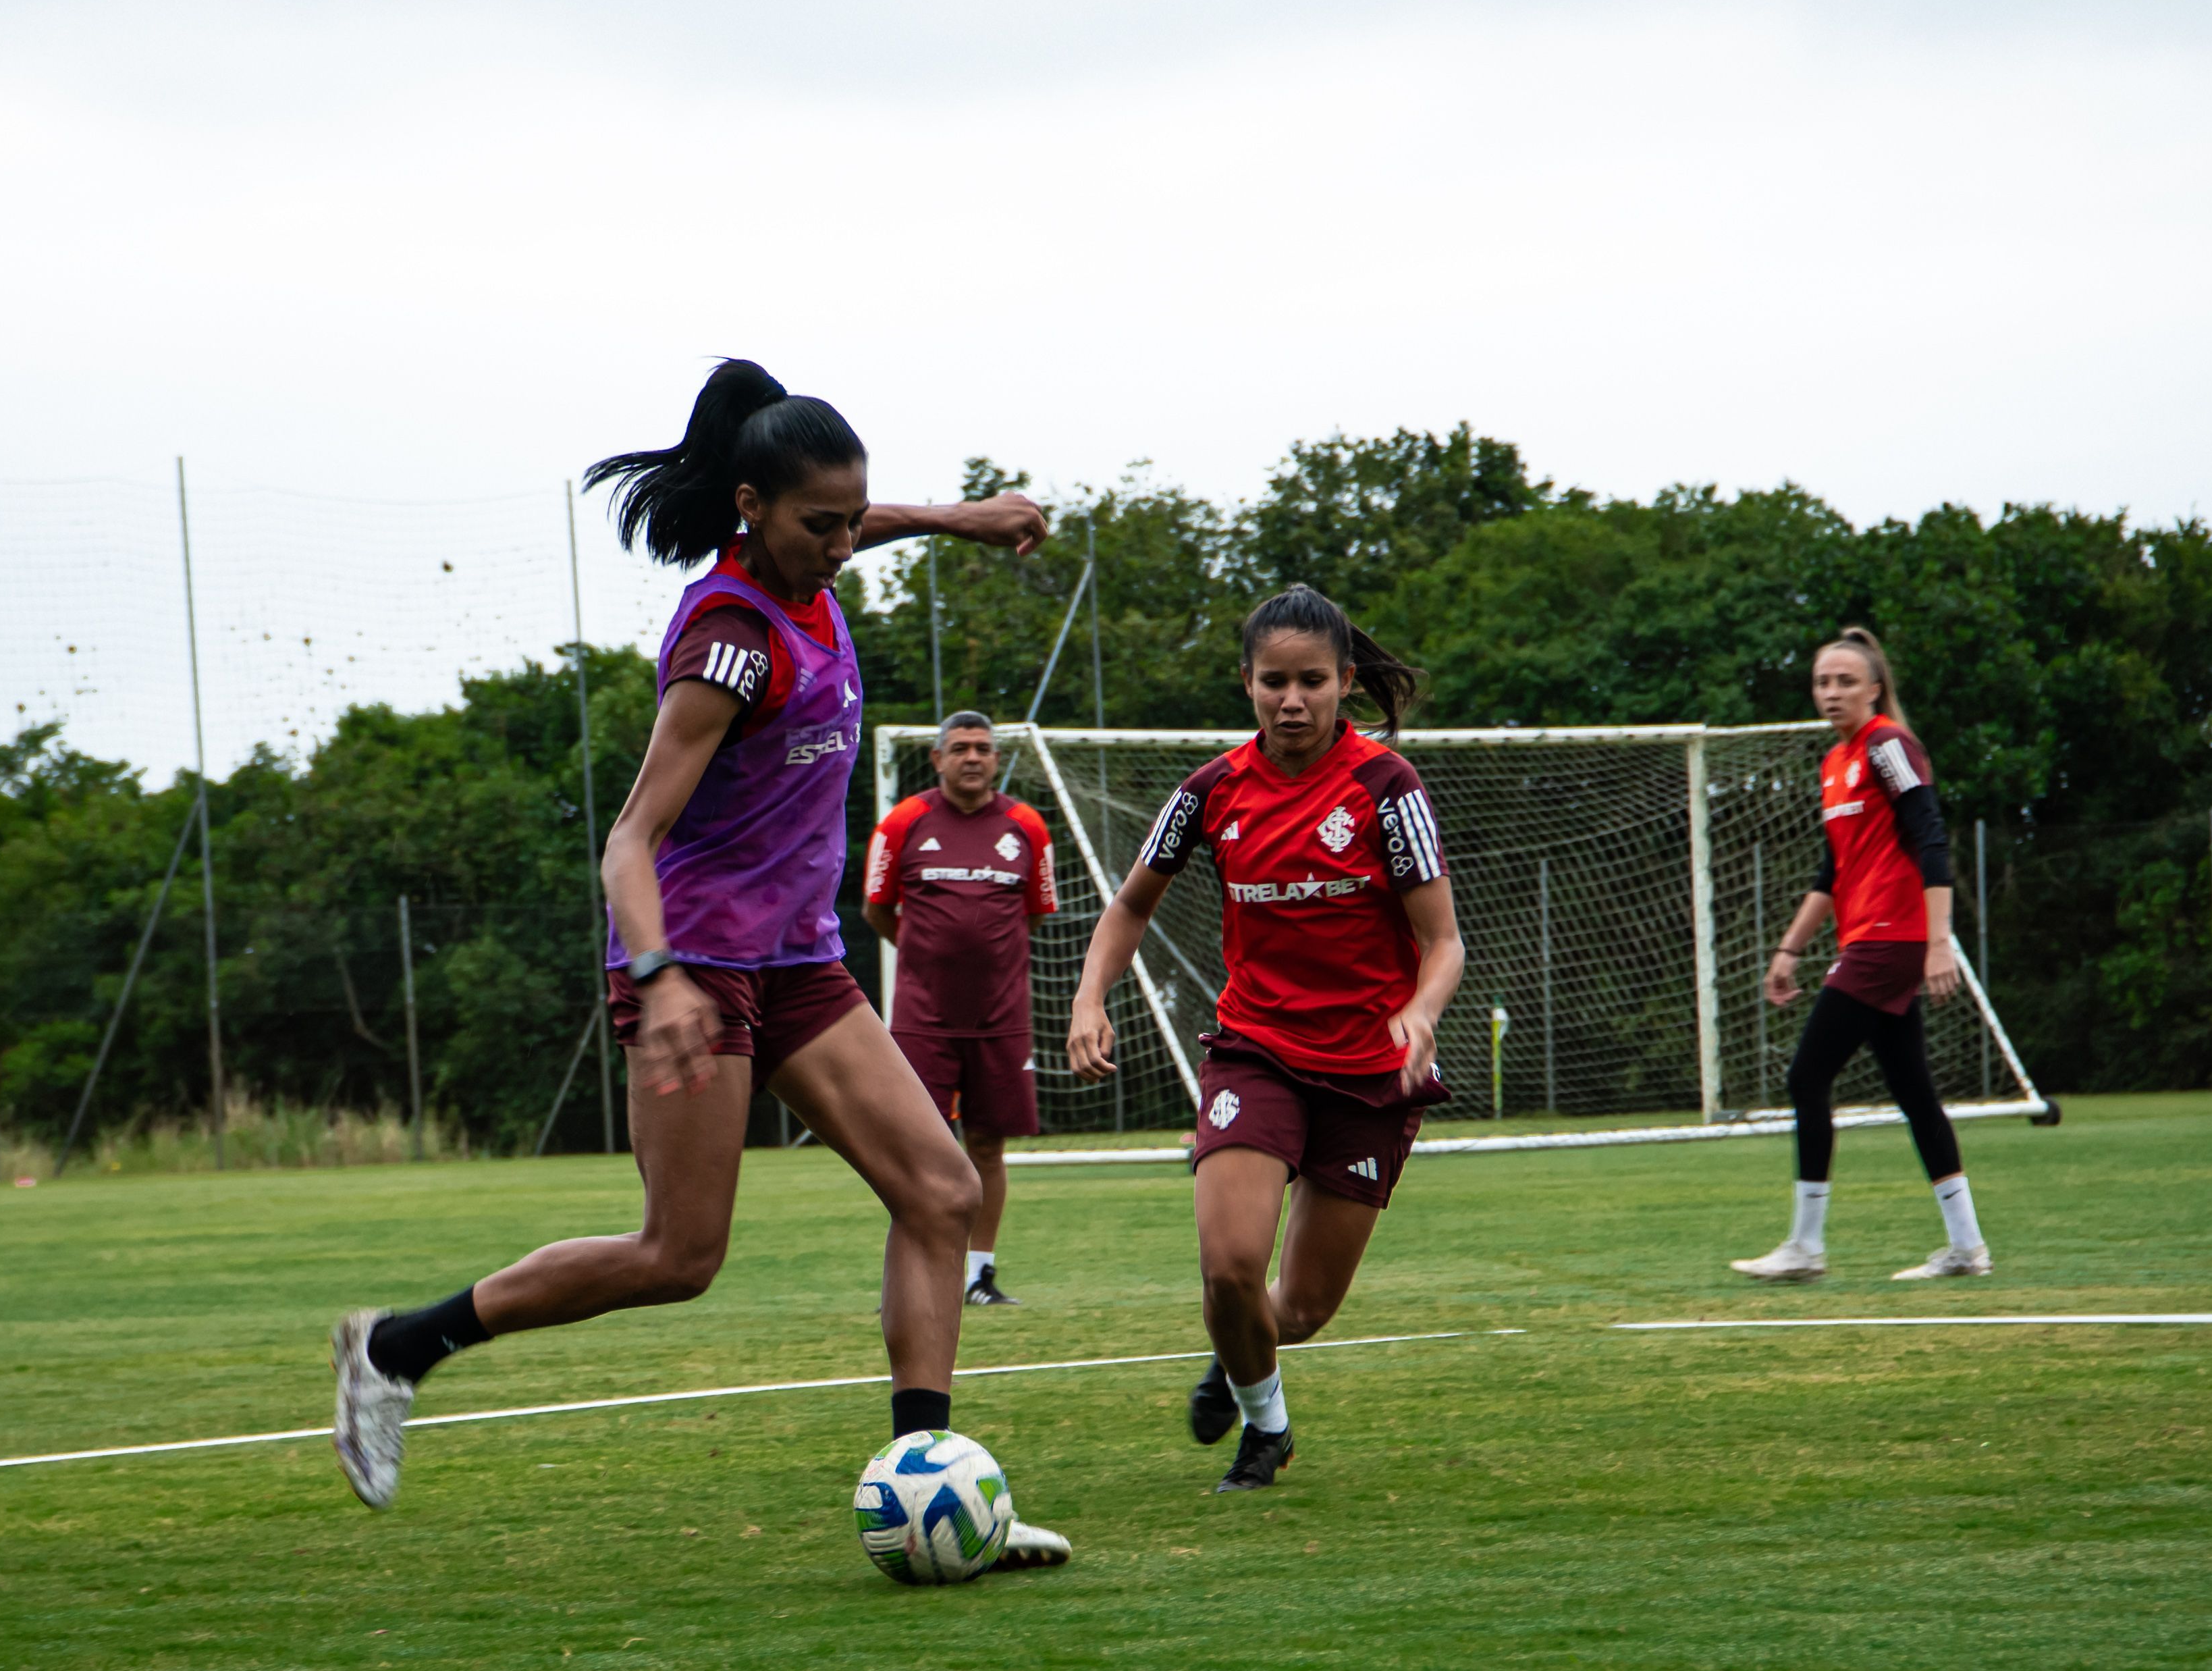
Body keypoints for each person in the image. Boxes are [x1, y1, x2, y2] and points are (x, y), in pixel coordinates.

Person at [329, 359, 1069, 1570]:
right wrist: (662, 970)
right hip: (696, 967)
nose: (839, 543)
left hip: (797, 963)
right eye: (816, 523)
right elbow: (631, 837)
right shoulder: (728, 641)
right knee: (679, 1257)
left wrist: (960, 519)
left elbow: (857, 524)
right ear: (749, 509)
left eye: (850, 517)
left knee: (939, 1193)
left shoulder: (812, 563)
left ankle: (930, 1483)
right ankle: (395, 1349)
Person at [1066, 587, 1463, 1492]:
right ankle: (1266, 1426)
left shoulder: (1384, 789)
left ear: (1344, 683)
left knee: (1301, 1308)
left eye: (1311, 681)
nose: (1292, 699)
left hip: (1370, 1070)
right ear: (1245, 683)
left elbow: (1442, 941)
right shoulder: (1208, 790)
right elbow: (1128, 904)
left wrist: (1422, 1009)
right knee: (1230, 1266)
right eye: (1273, 681)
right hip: (1255, 1051)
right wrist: (1091, 995)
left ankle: (1237, 1355)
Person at [1733, 625, 1993, 1283]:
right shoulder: (1833, 764)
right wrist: (1787, 949)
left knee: (1805, 1076)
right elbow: (1830, 873)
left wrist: (1938, 942)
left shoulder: (1888, 746)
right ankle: (1966, 1247)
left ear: (1874, 688)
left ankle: (1804, 1248)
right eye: (1822, 681)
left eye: (1845, 681)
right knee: (1912, 1090)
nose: (1831, 692)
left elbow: (1930, 838)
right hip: (1871, 938)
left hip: (1891, 938)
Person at [865, 710, 1056, 1307]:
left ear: (996, 758)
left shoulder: (1027, 827)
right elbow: (877, 909)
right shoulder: (902, 823)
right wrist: (929, 957)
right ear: (937, 758)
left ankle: (979, 1276)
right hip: (922, 1019)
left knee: (987, 1146)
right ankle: (915, 1274)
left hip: (1002, 1020)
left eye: (982, 748)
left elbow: (1032, 913)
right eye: (960, 748)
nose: (972, 757)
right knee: (919, 1149)